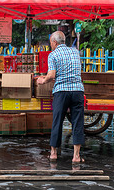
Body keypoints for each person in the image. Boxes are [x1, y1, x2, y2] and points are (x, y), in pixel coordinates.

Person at [37, 31, 85, 163]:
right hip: (77, 91)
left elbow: (51, 75)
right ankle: (76, 156)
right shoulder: (75, 52)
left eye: (51, 43)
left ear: (54, 42)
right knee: (78, 123)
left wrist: (42, 80)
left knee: (57, 121)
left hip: (61, 92)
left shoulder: (53, 55)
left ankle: (53, 153)